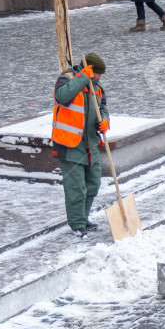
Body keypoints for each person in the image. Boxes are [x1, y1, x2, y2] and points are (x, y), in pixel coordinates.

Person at [51, 53, 109, 239]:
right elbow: (62, 96)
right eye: (98, 73)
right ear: (90, 70)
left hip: (90, 144)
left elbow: (103, 107)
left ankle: (83, 218)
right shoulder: (67, 79)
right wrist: (83, 77)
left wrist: (105, 121)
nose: (100, 78)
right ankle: (77, 224)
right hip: (70, 144)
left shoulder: (97, 88)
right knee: (76, 188)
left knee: (93, 184)